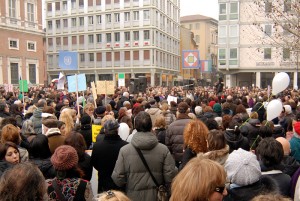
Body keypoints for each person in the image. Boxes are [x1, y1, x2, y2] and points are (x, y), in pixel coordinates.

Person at [112, 111, 177, 201]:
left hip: (132, 196)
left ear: (135, 127)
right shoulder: (163, 150)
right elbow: (170, 176)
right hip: (156, 196)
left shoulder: (125, 151)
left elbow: (118, 178)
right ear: (151, 126)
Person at [91, 120, 128, 193]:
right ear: (117, 130)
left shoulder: (98, 146)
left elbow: (94, 163)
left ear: (105, 130)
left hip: (103, 182)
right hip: (120, 185)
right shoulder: (125, 146)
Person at [166, 102, 191, 167]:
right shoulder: (193, 124)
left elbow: (168, 145)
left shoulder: (171, 126)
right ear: (187, 110)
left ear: (178, 111)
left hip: (176, 159)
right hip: (190, 158)